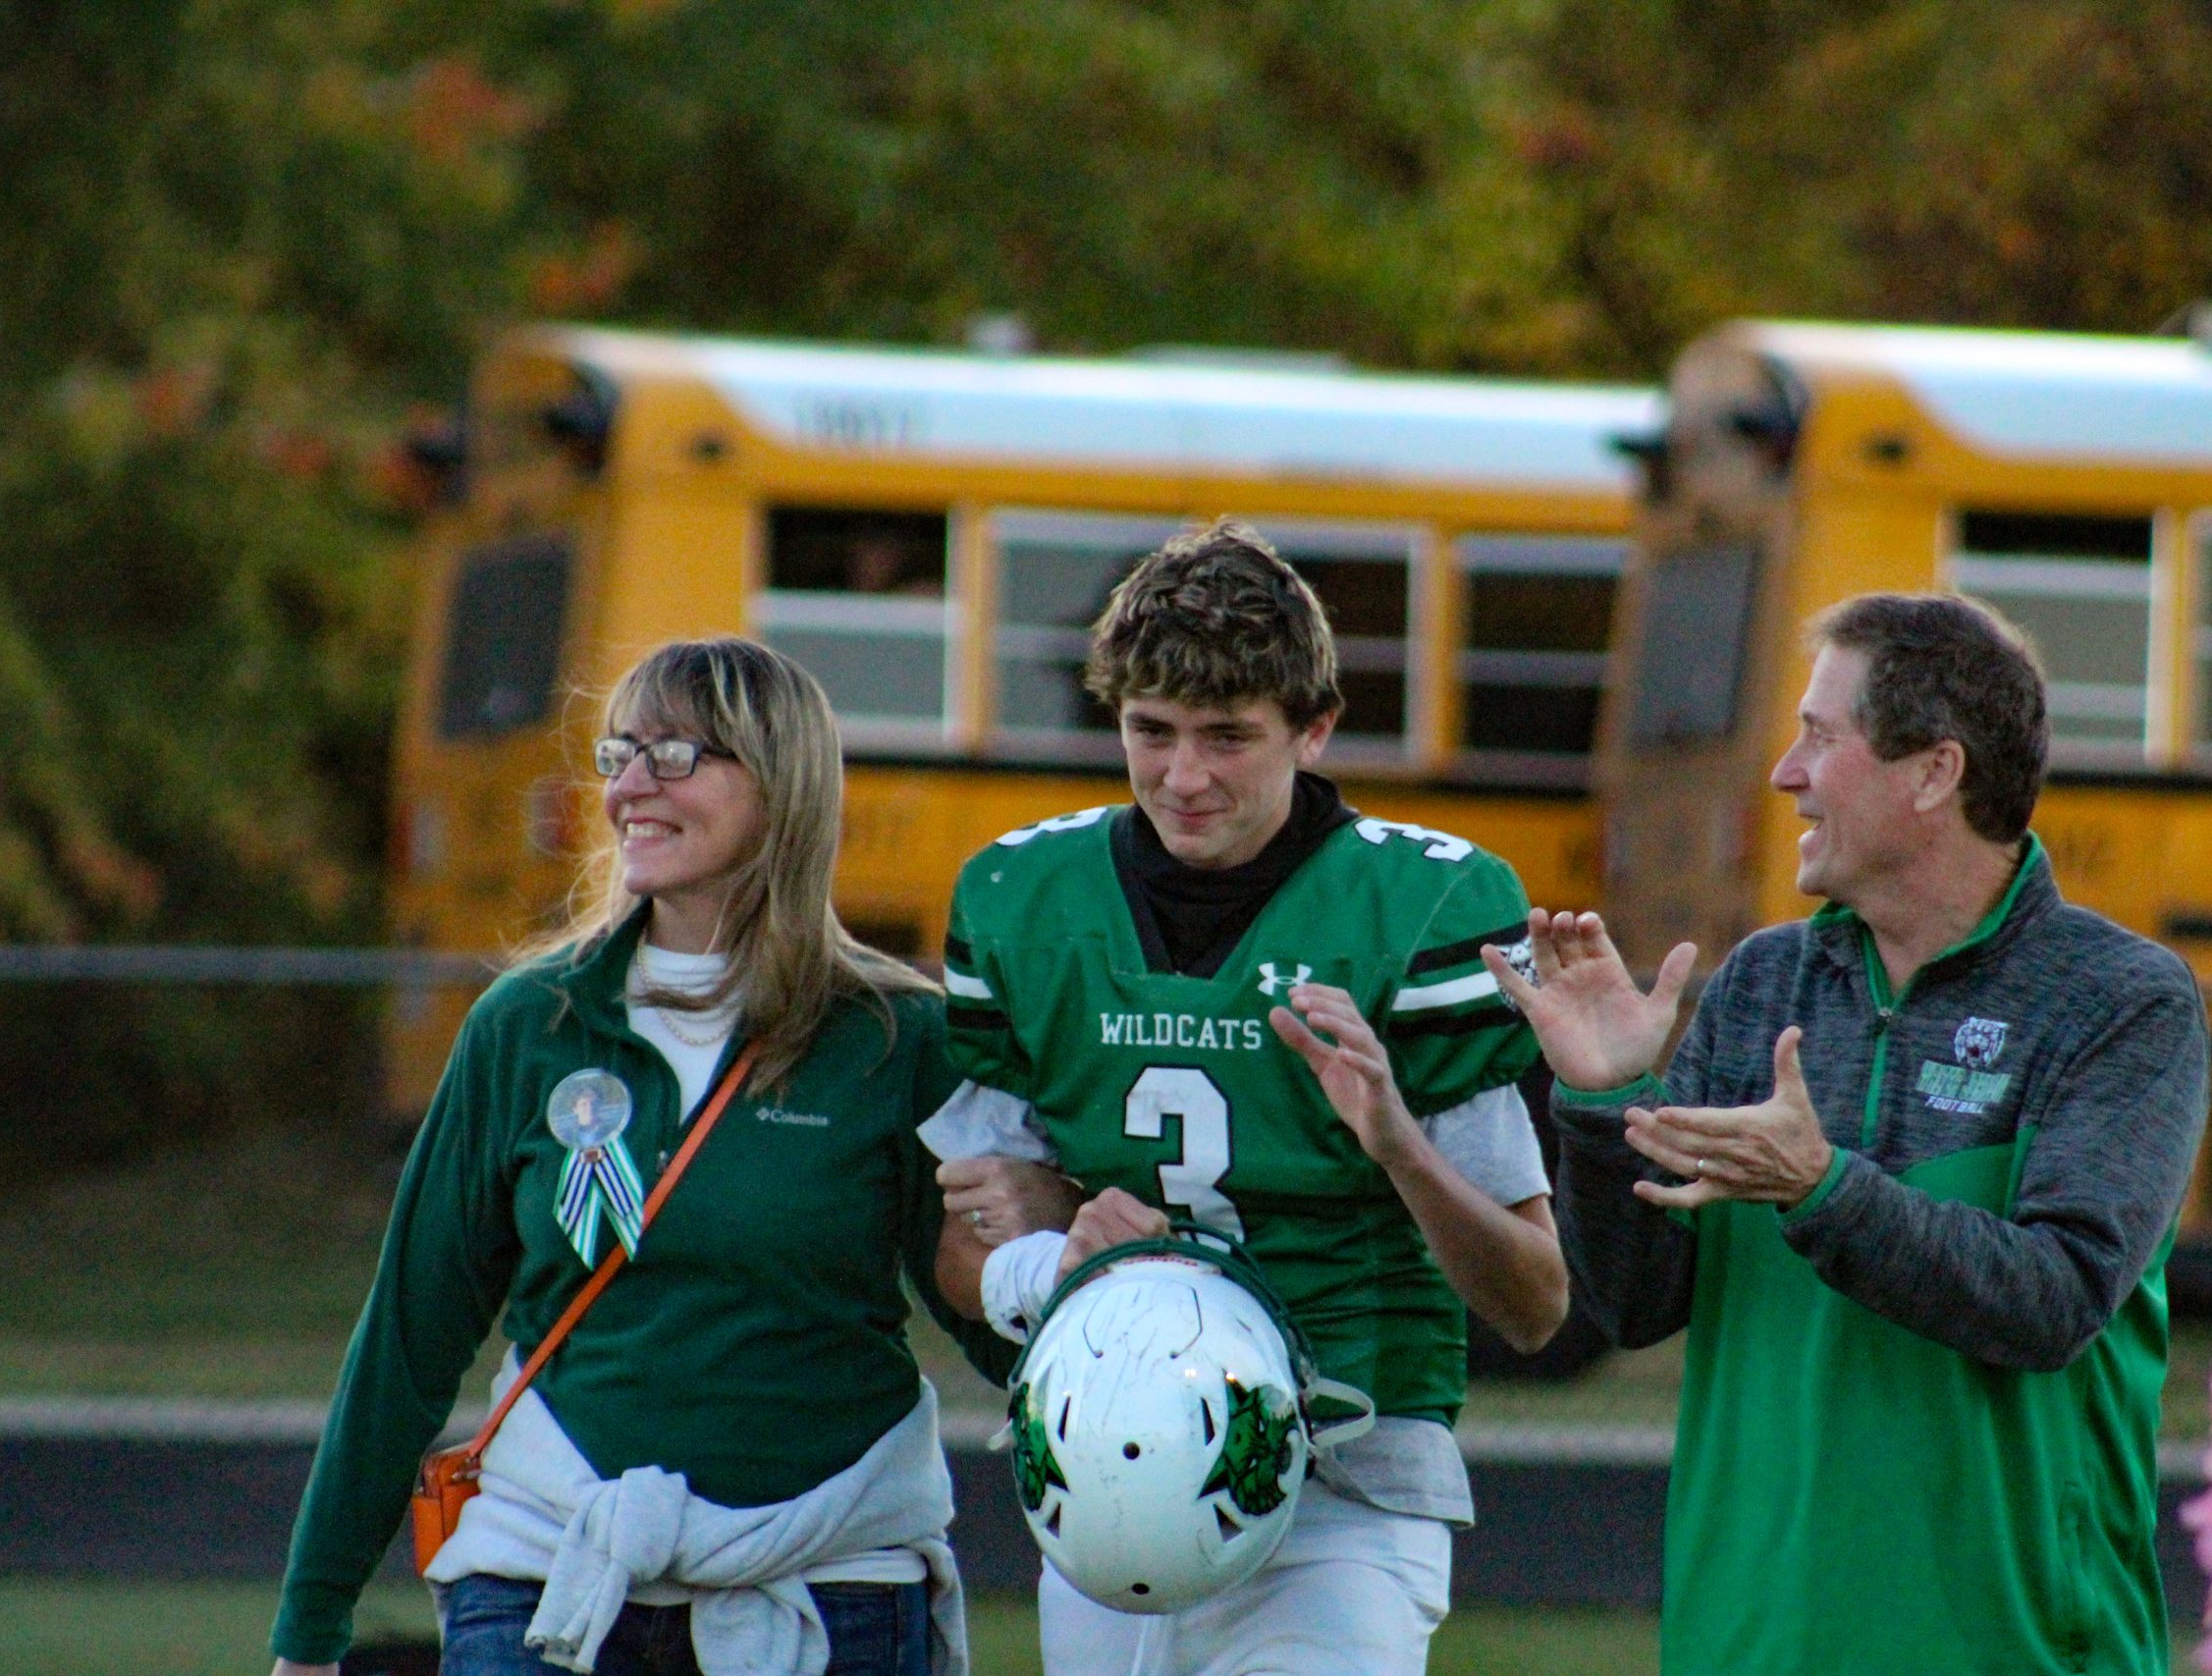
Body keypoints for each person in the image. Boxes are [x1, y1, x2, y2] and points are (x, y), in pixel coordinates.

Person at [1488, 592, 2211, 1675]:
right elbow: (1634, 1306)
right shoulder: (1764, 982)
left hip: (2015, 1653)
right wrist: (1601, 1106)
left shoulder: (2118, 1002)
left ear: (1933, 773)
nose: (1784, 774)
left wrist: (1822, 1190)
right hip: (1747, 1642)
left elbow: (2053, 1301)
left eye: (1819, 738)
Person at [270, 638, 999, 1676]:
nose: (630, 787)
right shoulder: (525, 1025)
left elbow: (988, 1312)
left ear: (780, 788)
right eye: (621, 753)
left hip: (829, 1584)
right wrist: (311, 1625)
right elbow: (408, 1337)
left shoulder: (898, 1038)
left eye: (678, 755)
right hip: (551, 1574)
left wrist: (1113, 1361)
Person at [922, 518, 1569, 1676]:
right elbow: (958, 1264)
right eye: (1151, 732)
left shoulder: (1420, 910)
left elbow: (1531, 1303)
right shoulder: (1023, 896)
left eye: (1227, 737)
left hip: (1344, 1469)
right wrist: (1048, 1254)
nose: (1183, 776)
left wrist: (1399, 1150)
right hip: (1105, 1456)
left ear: (1313, 729)